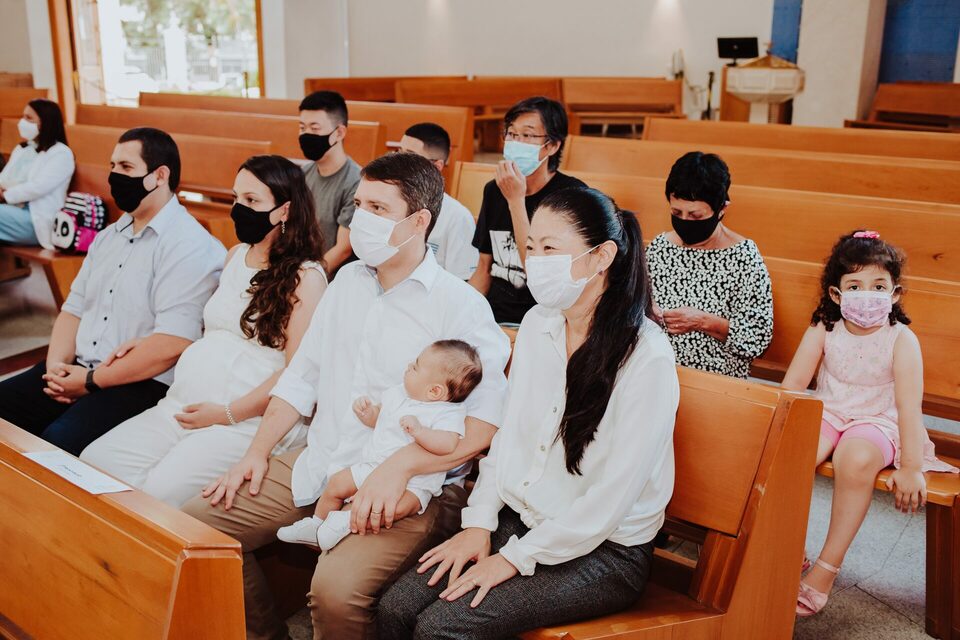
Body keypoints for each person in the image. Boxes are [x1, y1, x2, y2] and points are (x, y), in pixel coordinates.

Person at [180, 152, 510, 640]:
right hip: (322, 457)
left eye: (379, 208)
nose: (361, 220)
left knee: (334, 594)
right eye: (359, 205)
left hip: (412, 485)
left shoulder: (460, 306)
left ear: (419, 222)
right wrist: (256, 451)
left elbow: (483, 428)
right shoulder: (345, 284)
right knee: (195, 530)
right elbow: (301, 377)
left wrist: (400, 468)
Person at [379, 187, 678, 639]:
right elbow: (508, 437)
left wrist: (514, 558)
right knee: (396, 609)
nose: (535, 261)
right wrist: (478, 523)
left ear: (601, 257)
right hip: (523, 519)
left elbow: (610, 500)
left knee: (442, 628)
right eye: (532, 247)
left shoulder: (646, 357)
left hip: (606, 549)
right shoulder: (539, 323)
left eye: (550, 249)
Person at [81, 155, 327, 507]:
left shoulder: (306, 277)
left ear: (284, 210)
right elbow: (218, 332)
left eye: (252, 200)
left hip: (242, 420)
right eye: (236, 198)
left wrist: (227, 412)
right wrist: (149, 343)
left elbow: (296, 373)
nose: (240, 209)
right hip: (183, 404)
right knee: (95, 463)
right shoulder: (235, 255)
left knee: (158, 496)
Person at [0, 127, 224, 455]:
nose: (115, 175)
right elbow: (73, 309)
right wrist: (56, 370)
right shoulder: (107, 237)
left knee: (56, 446)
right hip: (79, 367)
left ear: (160, 175)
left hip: (140, 382)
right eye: (113, 166)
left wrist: (90, 381)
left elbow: (172, 343)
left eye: (126, 167)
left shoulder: (189, 245)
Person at [781, 230, 958, 617]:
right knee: (793, 452)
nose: (867, 295)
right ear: (836, 294)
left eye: (878, 286)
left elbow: (909, 407)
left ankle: (826, 569)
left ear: (895, 293)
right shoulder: (824, 327)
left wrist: (911, 467)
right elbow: (793, 387)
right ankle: (789, 551)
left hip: (880, 420)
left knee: (856, 458)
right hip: (830, 410)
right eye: (855, 286)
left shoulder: (901, 339)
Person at [277, 339, 482, 550]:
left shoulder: (447, 413)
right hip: (373, 465)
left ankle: (343, 522)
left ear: (434, 391)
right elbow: (380, 420)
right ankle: (316, 524)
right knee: (337, 483)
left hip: (416, 483)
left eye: (415, 367)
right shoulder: (397, 394)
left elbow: (448, 445)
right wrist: (368, 413)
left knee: (394, 508)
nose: (409, 366)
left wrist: (421, 432)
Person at [646, 151, 773, 379]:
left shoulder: (743, 257)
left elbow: (758, 339)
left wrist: (703, 321)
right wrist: (647, 310)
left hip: (714, 378)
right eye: (676, 212)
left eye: (695, 216)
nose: (684, 221)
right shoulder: (660, 247)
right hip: (656, 369)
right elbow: (630, 305)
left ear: (721, 209)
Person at [469, 97, 586, 325]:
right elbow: (483, 268)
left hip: (541, 319)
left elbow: (539, 276)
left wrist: (515, 201)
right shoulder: (494, 190)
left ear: (552, 145)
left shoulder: (570, 196)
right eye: (512, 134)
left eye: (527, 135)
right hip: (491, 317)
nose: (516, 142)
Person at [398, 122, 479, 279]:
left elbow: (460, 281)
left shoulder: (457, 217)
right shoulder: (389, 203)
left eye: (410, 156)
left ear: (436, 166)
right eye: (399, 153)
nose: (399, 163)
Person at [298, 90, 361, 274]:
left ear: (339, 133)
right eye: (302, 128)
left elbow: (343, 250)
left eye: (314, 128)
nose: (306, 135)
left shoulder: (356, 183)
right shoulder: (303, 174)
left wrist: (307, 278)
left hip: (330, 278)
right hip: (301, 267)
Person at [0, 98, 74, 248]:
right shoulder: (22, 148)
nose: (22, 122)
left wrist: (4, 195)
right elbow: (4, 176)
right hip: (10, 209)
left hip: (34, 218)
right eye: (23, 117)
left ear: (45, 122)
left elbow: (38, 187)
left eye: (29, 118)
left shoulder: (61, 153)